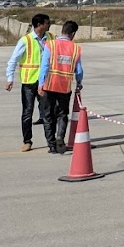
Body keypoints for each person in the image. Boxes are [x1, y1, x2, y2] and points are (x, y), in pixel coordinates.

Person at [4, 14, 51, 152]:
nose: (49, 25)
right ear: (39, 24)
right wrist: (9, 78)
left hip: (46, 81)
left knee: (47, 112)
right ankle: (27, 141)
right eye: (47, 23)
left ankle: (51, 141)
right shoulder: (26, 41)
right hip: (29, 82)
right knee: (27, 112)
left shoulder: (51, 38)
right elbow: (13, 60)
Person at [38, 20, 84, 154]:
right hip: (65, 86)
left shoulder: (50, 44)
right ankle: (60, 137)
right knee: (62, 114)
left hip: (49, 84)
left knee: (48, 115)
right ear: (73, 33)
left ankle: (51, 145)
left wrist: (41, 84)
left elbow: (44, 66)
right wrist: (79, 83)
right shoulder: (75, 48)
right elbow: (79, 70)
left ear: (62, 30)